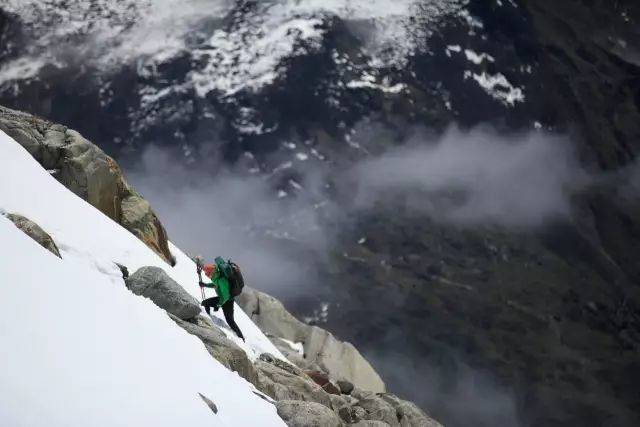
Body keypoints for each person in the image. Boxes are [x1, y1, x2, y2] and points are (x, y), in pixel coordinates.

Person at [199, 259, 245, 341]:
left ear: (211, 273)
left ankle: (241, 338)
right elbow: (215, 285)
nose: (207, 275)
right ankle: (208, 318)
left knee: (230, 320)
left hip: (227, 301)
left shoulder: (220, 279)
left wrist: (218, 305)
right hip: (224, 299)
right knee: (206, 303)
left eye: (207, 273)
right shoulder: (217, 276)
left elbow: (225, 296)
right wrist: (205, 285)